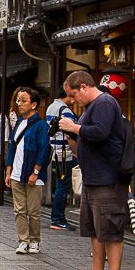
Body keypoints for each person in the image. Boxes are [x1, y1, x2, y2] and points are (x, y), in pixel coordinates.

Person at [60, 70, 129, 270]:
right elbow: (86, 139)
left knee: (110, 229)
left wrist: (74, 127)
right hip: (93, 178)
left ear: (83, 87)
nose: (72, 101)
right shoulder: (91, 108)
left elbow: (100, 133)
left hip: (107, 179)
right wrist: (71, 135)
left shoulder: (105, 103)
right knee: (95, 229)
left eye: (73, 95)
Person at [5, 87, 51, 255]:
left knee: (33, 211)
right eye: (18, 100)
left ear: (34, 104)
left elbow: (43, 149)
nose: (19, 104)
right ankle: (23, 240)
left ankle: (35, 240)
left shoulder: (41, 125)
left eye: (23, 101)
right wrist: (8, 170)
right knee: (19, 210)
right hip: (17, 172)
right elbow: (12, 147)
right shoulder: (18, 122)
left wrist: (36, 171)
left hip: (33, 174)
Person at [46, 87, 79, 230]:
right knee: (63, 185)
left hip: (55, 150)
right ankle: (58, 218)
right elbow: (70, 134)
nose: (74, 100)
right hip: (66, 152)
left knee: (61, 183)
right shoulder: (65, 111)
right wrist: (76, 152)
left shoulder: (51, 107)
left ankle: (57, 217)